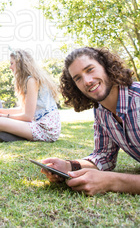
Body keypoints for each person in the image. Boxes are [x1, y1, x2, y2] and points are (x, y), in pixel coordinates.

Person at [41, 47, 140, 195]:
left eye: (90, 69)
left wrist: (111, 181)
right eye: (78, 78)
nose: (87, 81)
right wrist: (69, 166)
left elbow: (109, 176)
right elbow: (104, 156)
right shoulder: (101, 110)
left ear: (106, 67)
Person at [0, 49, 61, 142]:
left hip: (47, 128)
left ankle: (20, 135)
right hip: (40, 123)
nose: (10, 67)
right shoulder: (29, 80)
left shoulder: (32, 80)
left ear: (19, 63)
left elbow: (27, 116)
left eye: (12, 63)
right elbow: (22, 110)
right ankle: (20, 135)